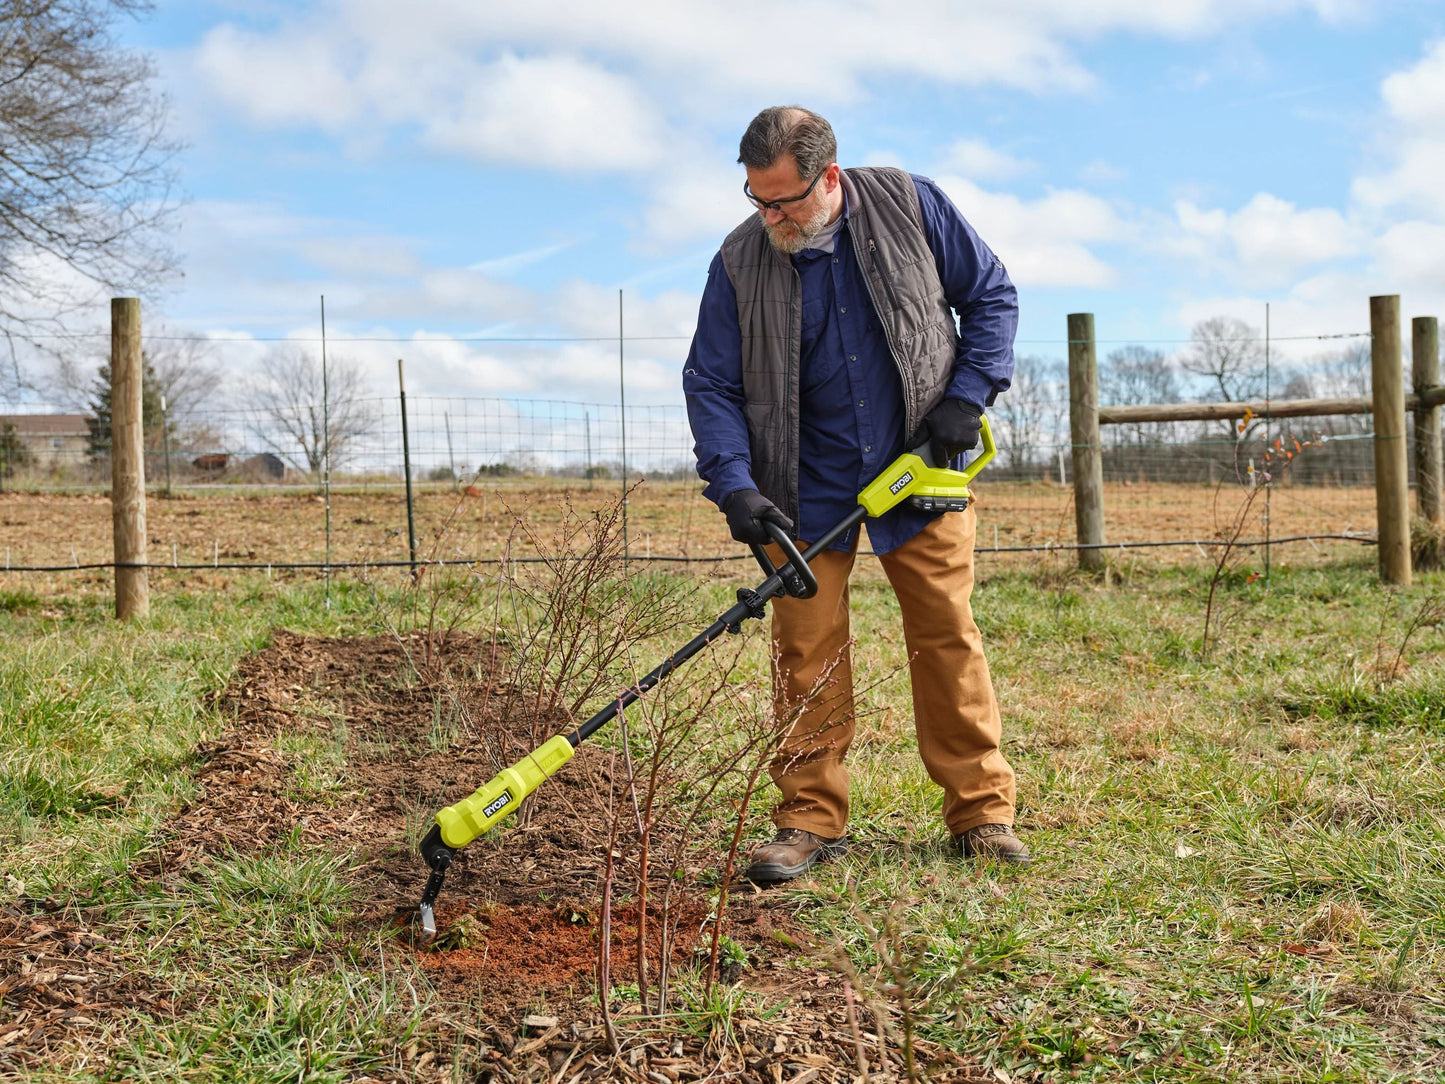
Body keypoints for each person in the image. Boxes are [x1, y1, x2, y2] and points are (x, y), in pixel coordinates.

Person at [682, 105, 1029, 883]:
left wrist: (965, 399)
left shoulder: (911, 204)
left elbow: (992, 296)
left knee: (945, 633)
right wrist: (734, 485)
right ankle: (807, 818)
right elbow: (710, 380)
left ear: (828, 178)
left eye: (785, 200)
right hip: (803, 484)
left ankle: (980, 812)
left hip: (920, 466)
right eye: (756, 199)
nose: (770, 215)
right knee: (804, 651)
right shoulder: (739, 261)